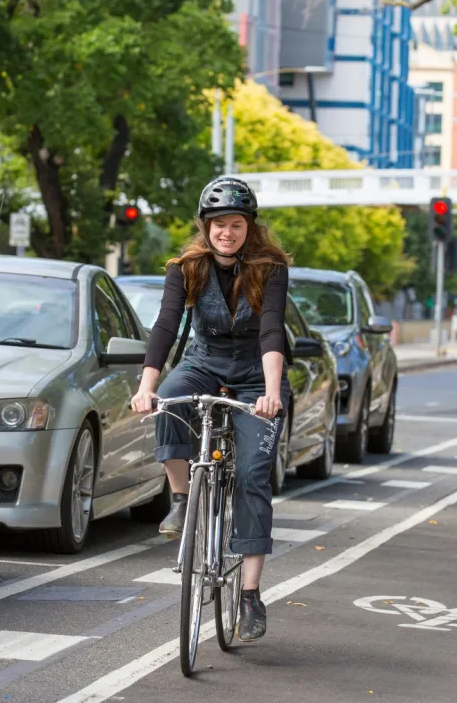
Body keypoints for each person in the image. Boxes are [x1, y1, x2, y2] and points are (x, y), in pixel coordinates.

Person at [130, 176, 291, 643]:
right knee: (170, 402)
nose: (227, 232)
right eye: (219, 224)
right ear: (206, 226)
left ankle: (250, 595)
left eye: (236, 224)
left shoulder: (270, 267)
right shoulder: (185, 268)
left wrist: (272, 393)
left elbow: (272, 331)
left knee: (253, 475)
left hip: (257, 375)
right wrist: (147, 386)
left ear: (249, 227)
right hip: (202, 364)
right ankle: (182, 498)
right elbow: (165, 326)